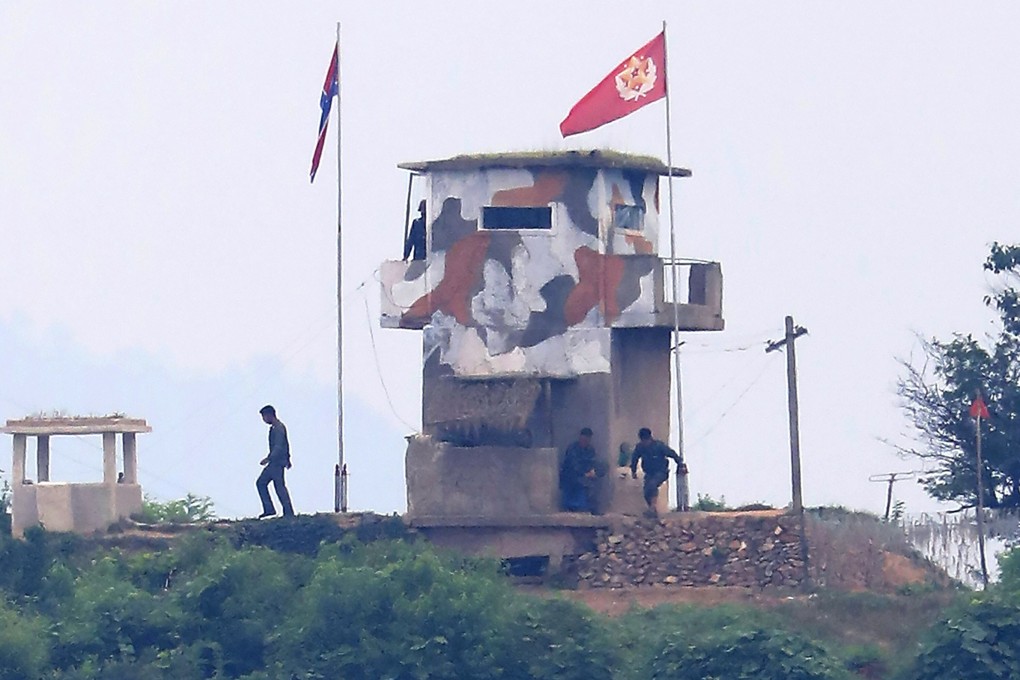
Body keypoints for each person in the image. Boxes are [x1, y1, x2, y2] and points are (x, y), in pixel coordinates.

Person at [630, 427, 682, 517]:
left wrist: (680, 463)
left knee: (652, 485)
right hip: (649, 473)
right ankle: (652, 510)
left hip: (661, 472)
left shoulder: (659, 446)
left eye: (646, 441)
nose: (644, 443)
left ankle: (652, 507)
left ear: (650, 438)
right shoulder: (640, 447)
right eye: (643, 441)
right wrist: (633, 471)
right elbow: (634, 459)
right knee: (646, 492)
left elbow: (672, 454)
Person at [256, 404, 294, 518]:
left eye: (264, 417)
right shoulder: (275, 427)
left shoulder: (278, 428)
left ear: (269, 415)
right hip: (277, 461)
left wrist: (269, 458)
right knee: (270, 484)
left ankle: (286, 511)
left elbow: (279, 446)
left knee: (275, 485)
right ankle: (274, 509)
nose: (264, 420)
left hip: (276, 463)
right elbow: (286, 444)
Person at [560, 427, 599, 512]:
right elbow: (573, 465)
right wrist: (584, 473)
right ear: (580, 438)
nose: (585, 442)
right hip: (570, 475)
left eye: (587, 440)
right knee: (576, 482)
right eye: (584, 439)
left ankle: (586, 506)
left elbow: (592, 461)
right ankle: (570, 507)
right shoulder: (572, 448)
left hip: (585, 475)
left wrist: (592, 470)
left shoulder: (590, 450)